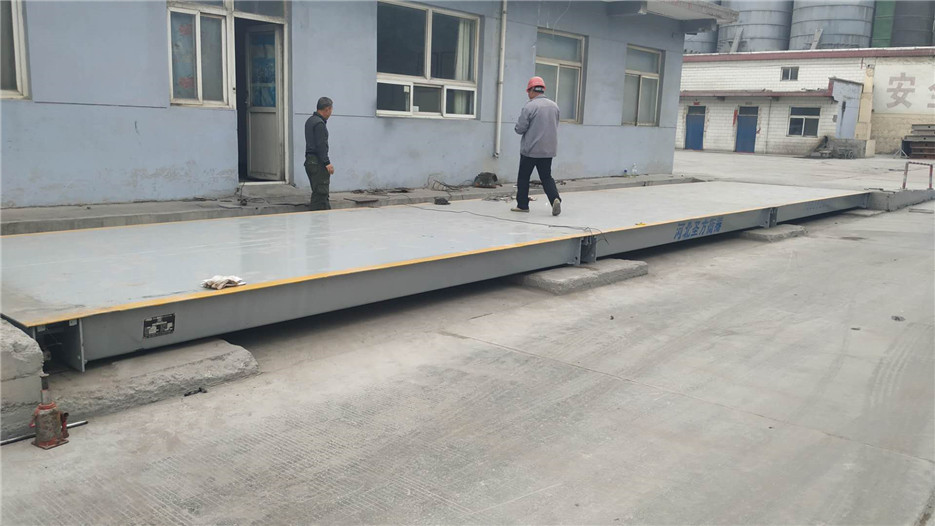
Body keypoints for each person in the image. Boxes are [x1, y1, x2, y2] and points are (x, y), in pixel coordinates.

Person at [512, 76, 562, 216]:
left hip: (530, 150)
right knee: (546, 177)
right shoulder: (554, 106)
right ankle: (555, 199)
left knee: (524, 177)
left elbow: (520, 128)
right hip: (548, 150)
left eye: (528, 91)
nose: (528, 94)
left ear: (532, 90)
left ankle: (522, 205)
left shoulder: (530, 106)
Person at [305, 97, 335, 211]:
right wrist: (327, 163)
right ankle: (318, 219)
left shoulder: (310, 121)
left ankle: (322, 217)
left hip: (310, 161)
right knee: (321, 195)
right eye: (331, 109)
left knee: (318, 192)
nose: (331, 113)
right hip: (318, 163)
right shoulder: (319, 124)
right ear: (327, 109)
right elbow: (321, 145)